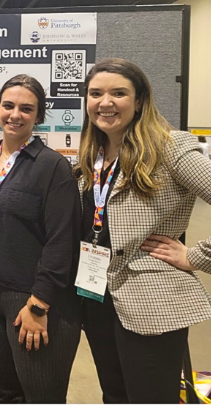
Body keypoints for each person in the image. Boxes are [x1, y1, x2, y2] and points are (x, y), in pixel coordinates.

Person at [76, 58, 211, 403]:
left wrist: (195, 256)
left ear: (139, 101)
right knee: (114, 395)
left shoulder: (170, 147)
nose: (105, 102)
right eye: (96, 94)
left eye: (118, 93)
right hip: (97, 296)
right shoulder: (93, 154)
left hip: (152, 299)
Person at [0, 74, 81, 403]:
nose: (15, 114)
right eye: (8, 106)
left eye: (26, 108)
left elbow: (61, 241)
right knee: (7, 394)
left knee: (42, 398)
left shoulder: (52, 167)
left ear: (38, 116)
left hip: (32, 301)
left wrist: (38, 305)